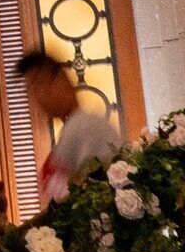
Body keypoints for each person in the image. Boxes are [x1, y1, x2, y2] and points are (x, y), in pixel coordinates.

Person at [25, 48, 121, 209]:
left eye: (40, 85)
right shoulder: (72, 130)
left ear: (63, 81)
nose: (38, 97)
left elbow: (92, 190)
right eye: (31, 91)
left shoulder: (88, 126)